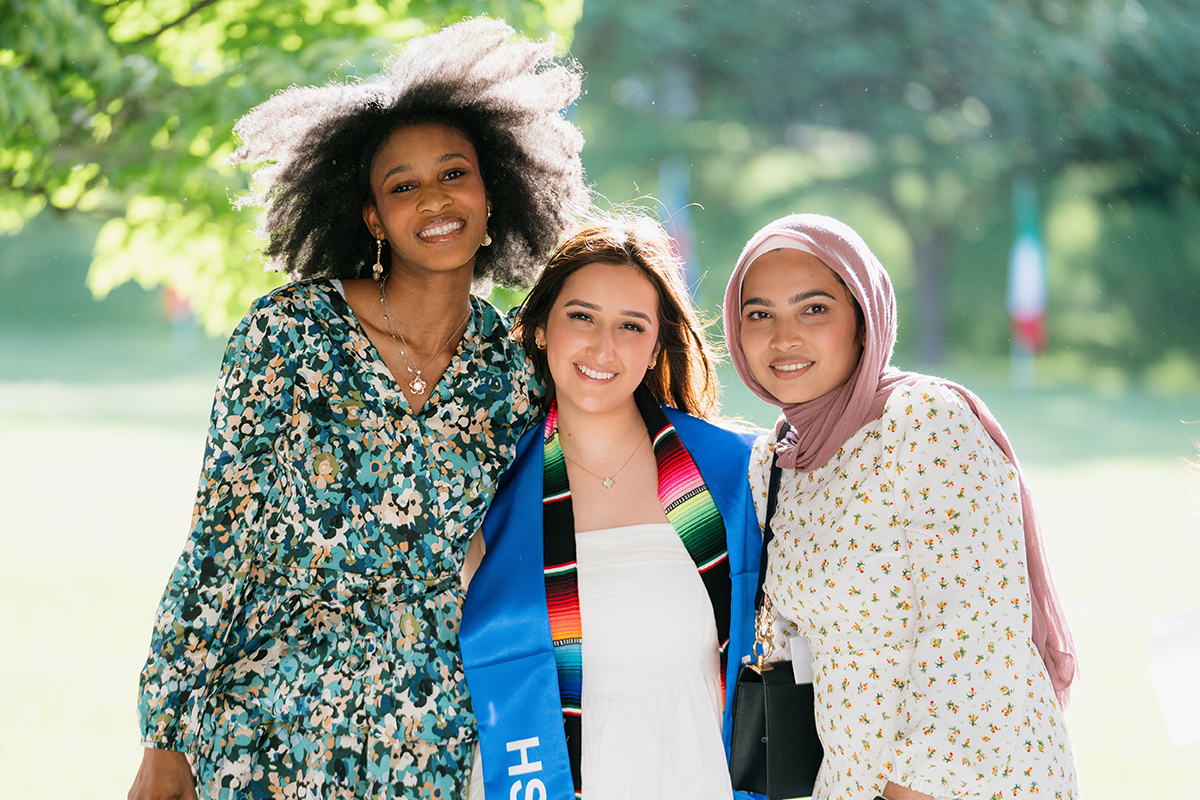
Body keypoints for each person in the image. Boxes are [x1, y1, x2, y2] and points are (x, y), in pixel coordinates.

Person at [127, 18, 589, 800]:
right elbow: (218, 544)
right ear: (373, 218)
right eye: (402, 186)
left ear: (492, 191)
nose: (433, 201)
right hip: (267, 726)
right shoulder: (288, 336)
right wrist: (167, 735)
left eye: (454, 175)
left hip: (437, 740)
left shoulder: (515, 374)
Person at [722, 213, 1081, 800]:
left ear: (865, 320)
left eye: (814, 309)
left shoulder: (924, 421)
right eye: (759, 314)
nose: (783, 337)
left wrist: (906, 792)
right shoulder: (778, 462)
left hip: (967, 777)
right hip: (848, 776)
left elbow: (975, 639)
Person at [458, 215, 761, 800]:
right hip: (545, 773)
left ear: (654, 348)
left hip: (695, 769)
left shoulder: (729, 472)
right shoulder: (488, 486)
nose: (604, 347)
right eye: (582, 317)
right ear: (541, 327)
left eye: (631, 326)